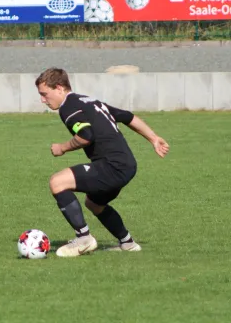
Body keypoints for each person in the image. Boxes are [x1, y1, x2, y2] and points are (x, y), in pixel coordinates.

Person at [35, 67, 169, 257]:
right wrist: (153, 138)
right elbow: (127, 116)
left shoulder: (68, 107)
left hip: (112, 166)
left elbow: (85, 135)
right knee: (94, 204)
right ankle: (128, 243)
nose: (42, 100)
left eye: (44, 94)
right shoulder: (88, 101)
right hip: (127, 165)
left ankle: (83, 239)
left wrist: (62, 148)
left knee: (57, 182)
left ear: (59, 88)